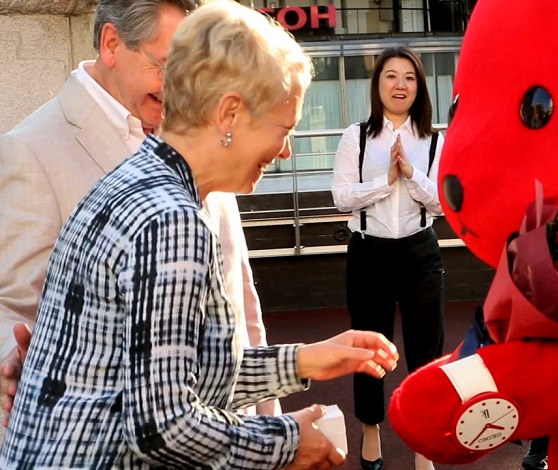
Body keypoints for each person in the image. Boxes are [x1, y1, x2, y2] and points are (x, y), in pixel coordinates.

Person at [0, 1, 401, 467]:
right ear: (229, 113)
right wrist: (288, 441)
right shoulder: (171, 217)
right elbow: (162, 426)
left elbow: (169, 369)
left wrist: (304, 361)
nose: (286, 151)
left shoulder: (136, 181)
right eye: (283, 128)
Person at [0, 0, 280, 436]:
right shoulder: (30, 151)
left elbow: (236, 289)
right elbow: (11, 306)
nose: (183, 88)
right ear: (112, 43)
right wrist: (10, 361)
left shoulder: (206, 130)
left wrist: (268, 417)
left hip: (229, 436)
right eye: (168, 66)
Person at [331, 47, 445, 470]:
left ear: (419, 86)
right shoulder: (354, 136)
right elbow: (341, 196)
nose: (400, 85)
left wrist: (412, 176)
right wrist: (386, 180)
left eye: (409, 78)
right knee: (368, 350)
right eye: (391, 77)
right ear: (377, 84)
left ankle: (420, 440)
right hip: (369, 254)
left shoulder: (434, 141)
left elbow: (442, 206)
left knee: (425, 351)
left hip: (420, 252)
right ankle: (371, 429)